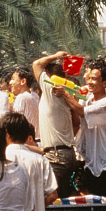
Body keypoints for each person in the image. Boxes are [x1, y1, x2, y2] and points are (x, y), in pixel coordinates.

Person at [58, 58, 106, 202]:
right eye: (89, 78)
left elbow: (81, 111)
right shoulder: (87, 100)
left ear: (105, 83)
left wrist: (65, 94)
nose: (89, 82)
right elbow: (77, 118)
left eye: (94, 79)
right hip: (90, 166)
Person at [32, 52, 77, 197]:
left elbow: (36, 64)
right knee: (62, 198)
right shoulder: (66, 94)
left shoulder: (51, 89)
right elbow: (76, 123)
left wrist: (56, 56)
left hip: (57, 155)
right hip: (68, 153)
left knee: (48, 196)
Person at [9, 67, 40, 141]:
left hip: (26, 141)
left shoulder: (21, 97)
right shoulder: (35, 96)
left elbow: (16, 123)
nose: (10, 82)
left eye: (13, 79)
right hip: (37, 139)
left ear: (23, 81)